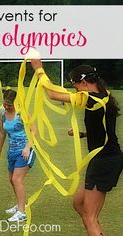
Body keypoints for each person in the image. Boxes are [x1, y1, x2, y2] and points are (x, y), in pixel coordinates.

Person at [31, 59, 123, 236]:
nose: (76, 91)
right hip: (104, 158)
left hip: (105, 161)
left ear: (84, 82)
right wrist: (83, 134)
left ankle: (94, 229)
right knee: (79, 204)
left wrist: (38, 68)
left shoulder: (89, 97)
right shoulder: (105, 96)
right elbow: (105, 131)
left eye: (75, 86)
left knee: (90, 216)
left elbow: (52, 94)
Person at [0, 89, 36, 222]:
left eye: (9, 105)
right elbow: (2, 132)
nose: (6, 107)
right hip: (11, 150)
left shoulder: (21, 112)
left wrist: (27, 147)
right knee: (11, 180)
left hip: (25, 151)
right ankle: (20, 205)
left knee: (16, 180)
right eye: (5, 103)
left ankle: (22, 213)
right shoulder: (1, 112)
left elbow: (34, 130)